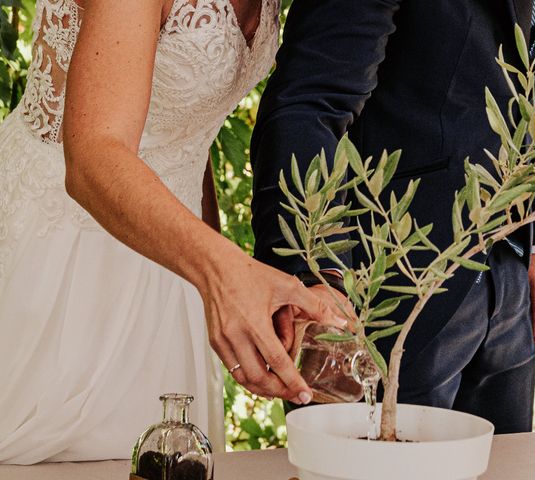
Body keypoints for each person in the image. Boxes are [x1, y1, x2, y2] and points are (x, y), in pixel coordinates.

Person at [0, 0, 344, 464]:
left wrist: (222, 275)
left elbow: (182, 136)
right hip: (63, 248)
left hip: (173, 259)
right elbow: (92, 157)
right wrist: (222, 270)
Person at [251, 0, 535, 433]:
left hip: (511, 282)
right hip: (384, 285)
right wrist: (314, 273)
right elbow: (310, 102)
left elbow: (525, 72)